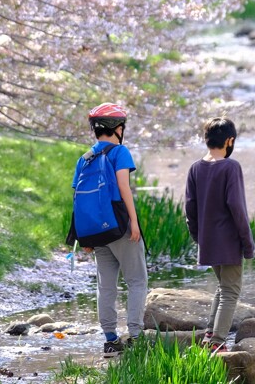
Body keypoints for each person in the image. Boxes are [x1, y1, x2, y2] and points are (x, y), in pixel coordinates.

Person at [75, 103, 147, 358]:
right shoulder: (120, 152)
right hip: (120, 228)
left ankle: (110, 341)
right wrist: (134, 223)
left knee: (106, 287)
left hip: (96, 232)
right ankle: (136, 337)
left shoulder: (84, 159)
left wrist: (83, 235)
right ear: (117, 128)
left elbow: (78, 198)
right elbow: (124, 188)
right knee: (137, 281)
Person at [184, 117, 254, 354]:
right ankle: (218, 342)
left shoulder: (195, 168)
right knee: (231, 291)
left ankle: (208, 335)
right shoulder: (230, 167)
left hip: (208, 242)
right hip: (228, 241)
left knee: (223, 287)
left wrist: (198, 237)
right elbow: (237, 208)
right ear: (229, 141)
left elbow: (189, 210)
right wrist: (248, 243)